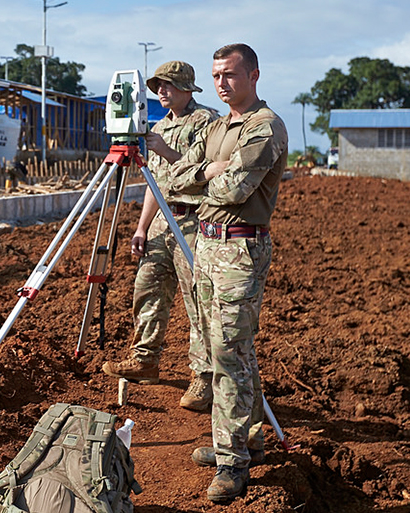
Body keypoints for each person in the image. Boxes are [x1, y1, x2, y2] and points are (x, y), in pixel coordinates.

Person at [168, 43, 288, 504]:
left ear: (254, 75)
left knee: (228, 353)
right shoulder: (219, 126)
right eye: (217, 75)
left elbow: (236, 188)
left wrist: (203, 176)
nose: (221, 83)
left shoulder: (265, 125)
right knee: (229, 348)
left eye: (231, 75)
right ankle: (246, 437)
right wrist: (207, 170)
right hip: (208, 242)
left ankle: (233, 460)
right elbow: (173, 179)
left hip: (240, 246)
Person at [101, 60, 218, 413]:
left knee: (199, 300)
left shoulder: (206, 123)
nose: (161, 92)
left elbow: (206, 172)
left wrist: (165, 149)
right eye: (157, 87)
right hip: (161, 224)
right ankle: (145, 359)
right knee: (147, 289)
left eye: (167, 85)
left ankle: (205, 377)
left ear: (186, 88)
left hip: (192, 220)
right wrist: (141, 226)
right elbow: (157, 181)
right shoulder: (157, 125)